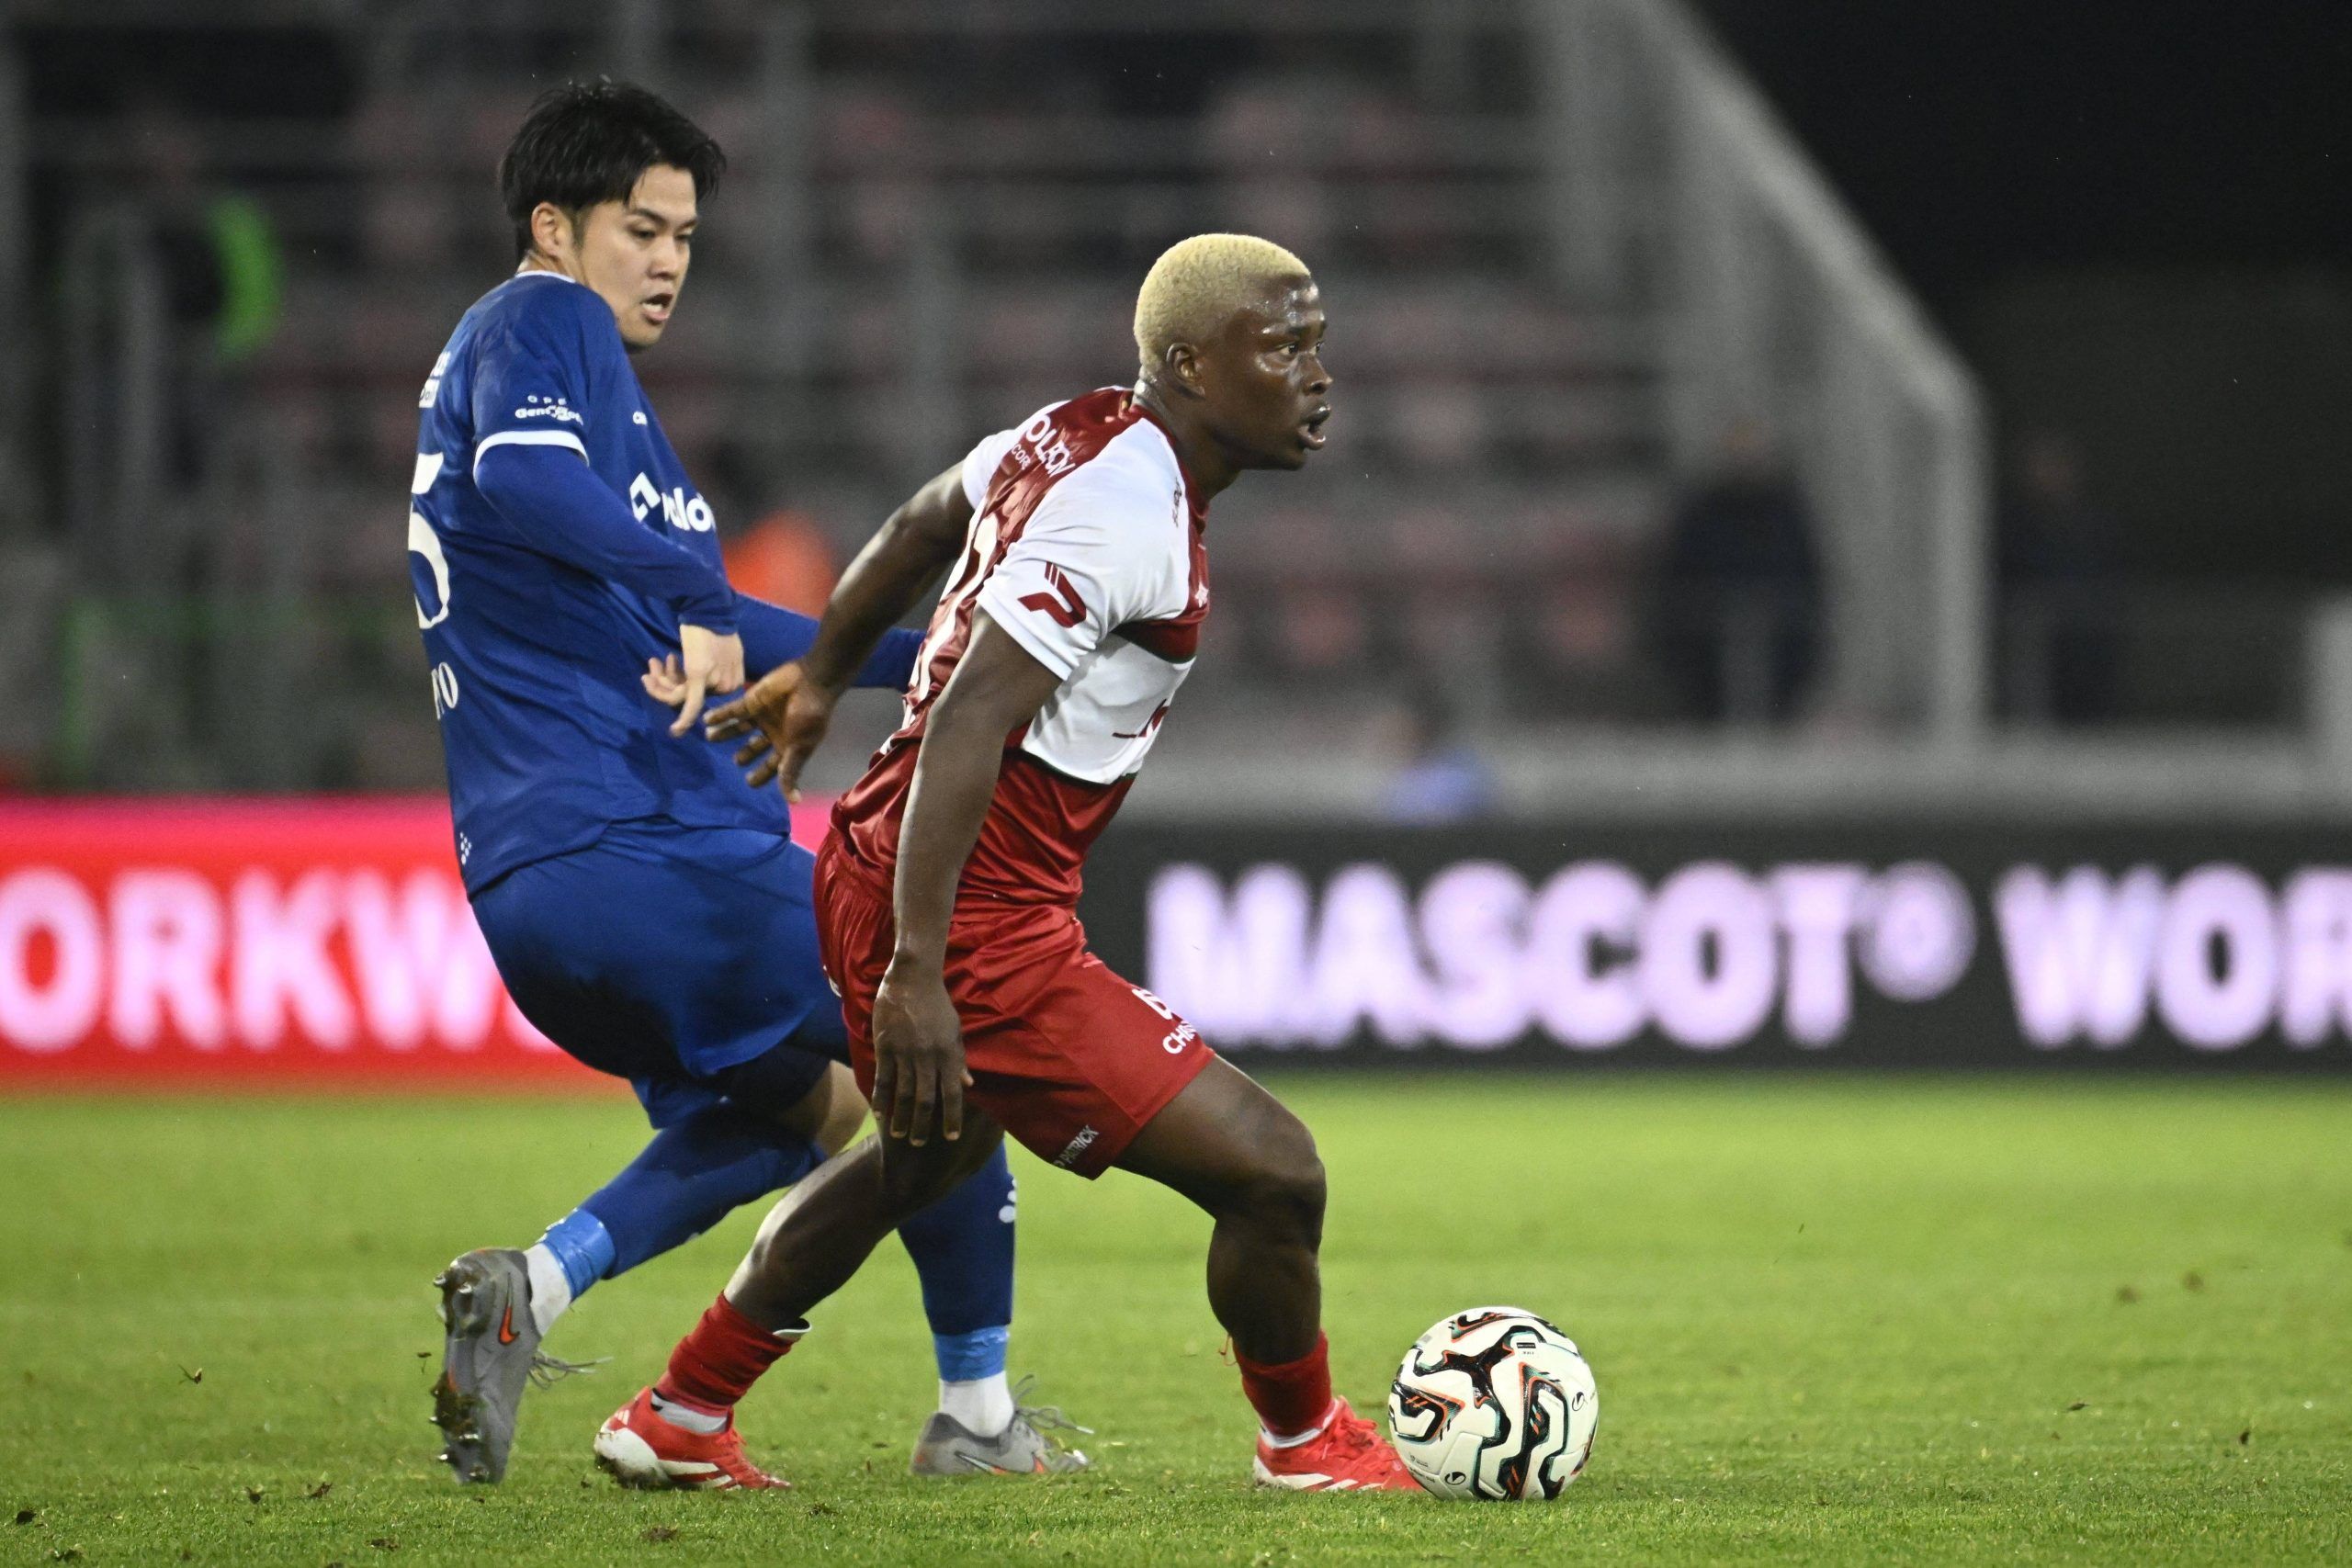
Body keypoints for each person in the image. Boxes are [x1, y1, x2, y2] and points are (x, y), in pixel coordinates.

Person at [595, 233, 1417, 1494]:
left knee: (924, 1153)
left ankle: (682, 1410)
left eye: (1318, 342)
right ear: (1192, 365)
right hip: (969, 910)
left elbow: (922, 520)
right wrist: (920, 969)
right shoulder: (1125, 508)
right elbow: (976, 714)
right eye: (1285, 344)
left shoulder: (1075, 430)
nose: (1317, 374)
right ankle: (1306, 1443)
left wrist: (821, 673)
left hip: (889, 859)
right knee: (1274, 1171)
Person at [409, 82, 1072, 1488]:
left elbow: (743, 630)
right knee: (953, 1034)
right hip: (649, 847)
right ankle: (974, 1414)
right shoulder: (542, 322)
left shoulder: (596, 414)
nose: (666, 260)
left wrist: (943, 661)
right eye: (639, 227)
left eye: (686, 236)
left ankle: (538, 1283)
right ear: (553, 226)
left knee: (807, 1116)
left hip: (541, 894)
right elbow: (543, 496)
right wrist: (686, 589)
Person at [1649, 416, 1823, 724]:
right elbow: (1677, 580)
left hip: (1776, 641)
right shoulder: (1701, 511)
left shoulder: (1785, 512)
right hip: (1707, 643)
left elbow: (1806, 579)